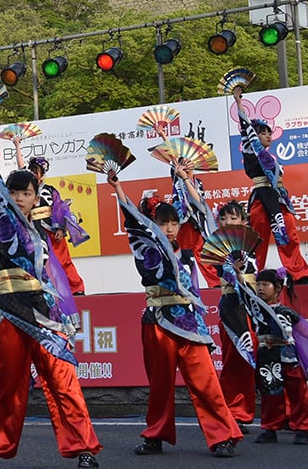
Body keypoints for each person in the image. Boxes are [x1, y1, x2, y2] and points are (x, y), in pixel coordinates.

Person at [0, 110, 101, 469]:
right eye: (15, 192)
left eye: (27, 192)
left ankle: (84, 448)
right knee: (7, 386)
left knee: (63, 381)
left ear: (36, 196)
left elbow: (56, 282)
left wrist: (64, 320)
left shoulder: (42, 237)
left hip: (44, 316)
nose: (21, 197)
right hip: (10, 310)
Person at [106, 171, 241, 458]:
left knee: (206, 382)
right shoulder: (147, 249)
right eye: (162, 222)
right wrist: (118, 189)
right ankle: (156, 436)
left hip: (190, 325)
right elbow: (132, 221)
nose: (168, 228)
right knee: (160, 386)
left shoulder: (191, 254)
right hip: (158, 322)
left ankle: (223, 436)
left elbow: (209, 227)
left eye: (173, 223)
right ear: (152, 224)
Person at [250, 268, 308, 444]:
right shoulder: (255, 309)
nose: (260, 288)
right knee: (270, 394)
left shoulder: (286, 312)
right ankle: (270, 428)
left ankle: (303, 428)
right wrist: (237, 273)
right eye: (258, 284)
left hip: (287, 356)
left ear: (278, 288)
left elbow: (305, 329)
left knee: (298, 393)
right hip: (267, 358)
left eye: (265, 284)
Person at [233, 87, 308, 282]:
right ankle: (252, 275)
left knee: (288, 233)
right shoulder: (252, 149)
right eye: (263, 133)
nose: (268, 136)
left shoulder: (271, 158)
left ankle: (298, 274)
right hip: (261, 198)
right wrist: (238, 102)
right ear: (255, 137)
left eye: (270, 133)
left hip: (277, 198)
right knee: (257, 240)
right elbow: (246, 129)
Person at [13, 136, 88, 295]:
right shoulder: (28, 190)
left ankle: (76, 289)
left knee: (63, 261)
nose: (33, 173)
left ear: (42, 174)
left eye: (36, 171)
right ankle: (46, 290)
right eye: (31, 171)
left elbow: (60, 209)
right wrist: (17, 144)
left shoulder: (50, 190)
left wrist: (61, 227)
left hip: (51, 231)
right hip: (34, 230)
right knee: (40, 261)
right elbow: (20, 167)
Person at [214, 202, 259, 432]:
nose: (228, 223)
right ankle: (232, 412)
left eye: (233, 219)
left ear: (244, 221)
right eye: (223, 219)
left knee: (254, 362)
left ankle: (250, 411)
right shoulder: (219, 249)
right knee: (233, 362)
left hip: (254, 310)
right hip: (232, 310)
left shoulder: (251, 246)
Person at [171, 164, 221, 288]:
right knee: (183, 263)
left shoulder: (197, 183)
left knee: (206, 258)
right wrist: (180, 176)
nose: (187, 168)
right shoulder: (177, 182)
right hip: (183, 226)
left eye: (190, 165)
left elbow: (199, 203)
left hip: (199, 225)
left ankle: (217, 287)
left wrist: (187, 179)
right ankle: (184, 290)